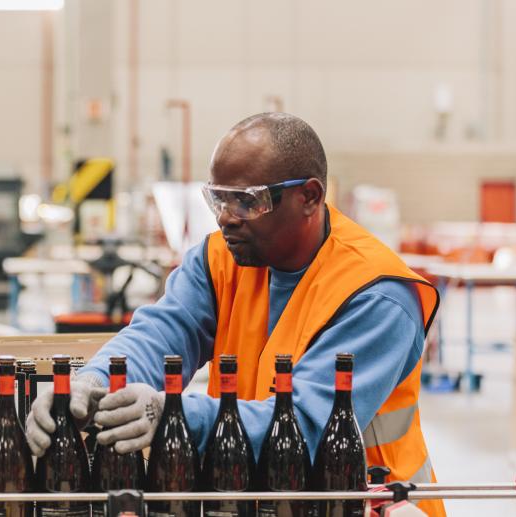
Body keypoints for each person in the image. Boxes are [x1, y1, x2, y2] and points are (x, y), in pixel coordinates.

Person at [26, 113, 444, 516]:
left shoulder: (377, 295)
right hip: (257, 495)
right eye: (217, 198)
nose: (226, 218)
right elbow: (161, 333)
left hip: (365, 502)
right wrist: (91, 381)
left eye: (246, 201)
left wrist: (173, 415)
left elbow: (305, 425)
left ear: (310, 197)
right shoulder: (219, 260)